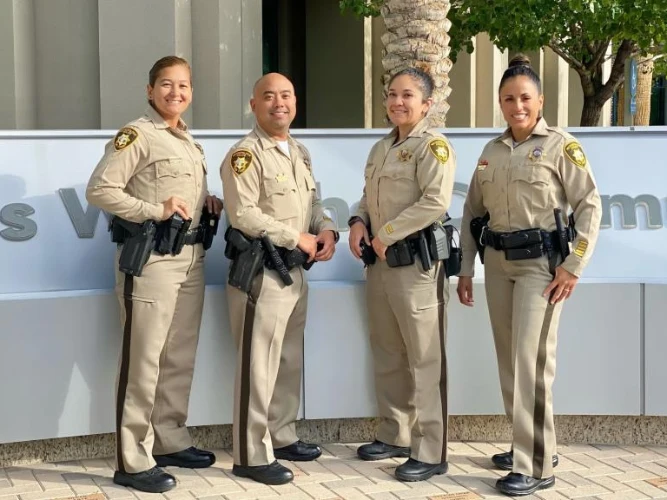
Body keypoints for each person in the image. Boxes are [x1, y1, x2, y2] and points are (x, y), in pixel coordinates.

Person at [456, 54, 602, 496]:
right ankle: (531, 444)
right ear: (500, 104)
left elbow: (589, 207)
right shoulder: (491, 151)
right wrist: (465, 268)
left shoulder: (561, 146)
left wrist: (573, 266)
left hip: (543, 268)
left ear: (539, 101)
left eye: (524, 97)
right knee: (509, 362)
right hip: (498, 265)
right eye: (508, 98)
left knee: (531, 363)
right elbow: (471, 213)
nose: (516, 105)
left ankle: (536, 466)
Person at [86, 56, 222, 494]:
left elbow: (178, 195)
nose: (175, 93)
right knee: (142, 361)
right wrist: (154, 212)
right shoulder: (137, 135)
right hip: (152, 262)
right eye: (166, 85)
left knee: (178, 356)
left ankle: (168, 439)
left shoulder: (187, 140)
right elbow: (100, 189)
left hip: (191, 259)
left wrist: (207, 204)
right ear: (150, 90)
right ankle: (132, 459)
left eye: (183, 85)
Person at [220, 72, 338, 486]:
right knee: (258, 364)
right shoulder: (245, 155)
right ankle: (251, 454)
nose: (278, 103)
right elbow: (244, 214)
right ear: (253, 105)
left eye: (286, 95)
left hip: (295, 273)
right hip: (261, 273)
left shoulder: (298, 152)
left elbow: (314, 202)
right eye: (268, 96)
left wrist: (325, 230)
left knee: (286, 360)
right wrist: (297, 236)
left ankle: (281, 434)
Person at [348, 67, 456, 482]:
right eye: (392, 94)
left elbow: (435, 201)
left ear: (426, 104)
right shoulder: (381, 148)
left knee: (426, 358)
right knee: (388, 350)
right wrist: (358, 222)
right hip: (380, 265)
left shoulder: (433, 147)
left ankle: (431, 450)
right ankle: (395, 433)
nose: (397, 102)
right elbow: (366, 197)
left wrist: (387, 233)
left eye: (407, 95)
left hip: (416, 267)